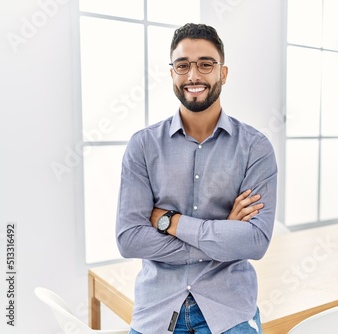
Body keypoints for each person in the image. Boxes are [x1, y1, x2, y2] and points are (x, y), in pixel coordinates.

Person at [116, 23, 278, 334]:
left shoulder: (256, 148)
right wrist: (224, 236)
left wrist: (172, 223)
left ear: (223, 73)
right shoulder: (143, 145)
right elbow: (129, 239)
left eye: (205, 64)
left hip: (229, 306)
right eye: (183, 65)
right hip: (158, 306)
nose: (193, 75)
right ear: (172, 74)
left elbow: (256, 242)